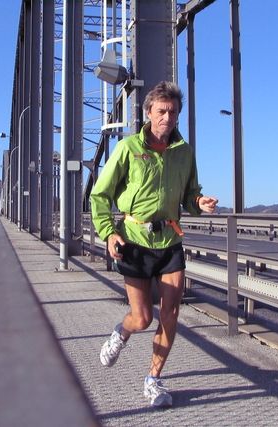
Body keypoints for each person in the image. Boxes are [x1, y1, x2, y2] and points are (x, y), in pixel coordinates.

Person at [90, 81, 218, 408]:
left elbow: (189, 194)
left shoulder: (184, 152)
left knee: (171, 312)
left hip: (170, 241)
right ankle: (121, 332)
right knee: (143, 317)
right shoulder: (128, 148)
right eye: (161, 111)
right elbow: (100, 195)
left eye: (173, 112)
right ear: (148, 112)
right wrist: (108, 232)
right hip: (134, 240)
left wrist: (198, 202)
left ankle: (153, 379)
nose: (167, 117)